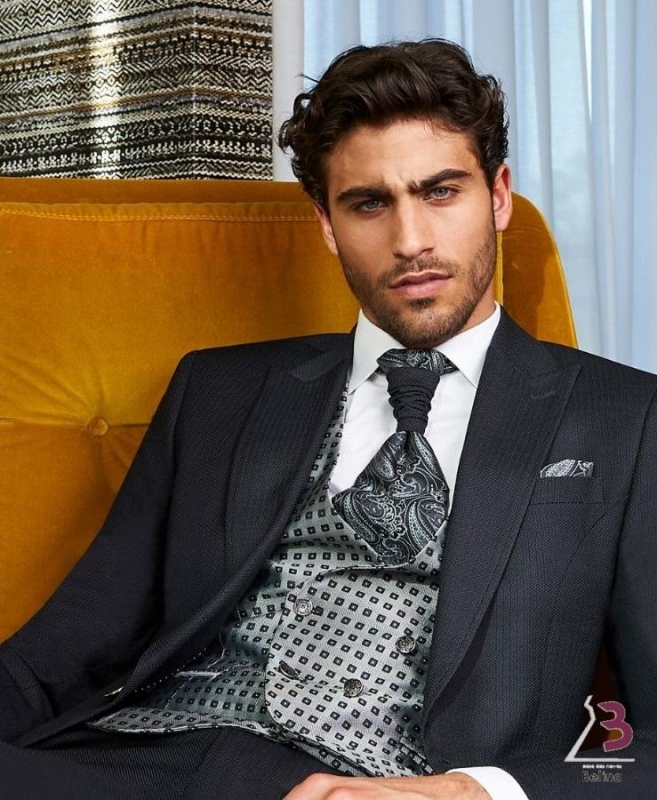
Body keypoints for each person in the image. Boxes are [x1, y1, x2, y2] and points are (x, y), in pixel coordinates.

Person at [1, 38, 656, 800]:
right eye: (369, 203)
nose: (410, 242)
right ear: (326, 222)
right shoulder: (218, 391)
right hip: (138, 763)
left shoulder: (624, 418)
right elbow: (63, 651)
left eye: (441, 192)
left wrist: (475, 790)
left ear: (498, 196)